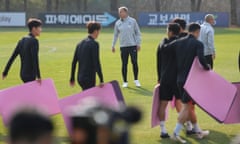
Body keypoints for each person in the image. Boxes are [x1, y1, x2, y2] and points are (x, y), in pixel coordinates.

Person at [163, 23, 210, 143]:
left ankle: (198, 131)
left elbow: (166, 48)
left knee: (188, 106)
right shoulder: (198, 44)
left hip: (179, 80)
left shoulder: (179, 42)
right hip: (191, 81)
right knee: (186, 107)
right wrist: (207, 67)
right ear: (197, 32)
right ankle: (176, 132)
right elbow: (201, 59)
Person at [156, 23, 181, 138]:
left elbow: (158, 63)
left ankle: (163, 130)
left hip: (165, 78)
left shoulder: (162, 44)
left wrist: (159, 77)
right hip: (178, 78)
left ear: (170, 32)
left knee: (163, 104)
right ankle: (188, 126)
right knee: (181, 103)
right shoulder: (181, 44)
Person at [173, 18, 195, 135]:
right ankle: (190, 125)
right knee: (189, 103)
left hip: (176, 75)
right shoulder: (191, 39)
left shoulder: (174, 40)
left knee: (179, 100)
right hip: (190, 76)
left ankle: (186, 124)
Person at [2, 18, 42, 83]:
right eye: (39, 28)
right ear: (34, 28)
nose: (41, 30)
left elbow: (12, 57)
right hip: (30, 75)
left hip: (23, 74)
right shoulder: (34, 41)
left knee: (29, 92)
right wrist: (38, 76)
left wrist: (5, 72)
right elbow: (35, 59)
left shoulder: (22, 40)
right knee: (31, 92)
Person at [112, 6, 142, 88]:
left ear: (126, 12)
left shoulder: (132, 21)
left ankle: (136, 80)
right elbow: (115, 35)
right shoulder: (118, 23)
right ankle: (125, 81)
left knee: (134, 63)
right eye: (119, 12)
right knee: (124, 64)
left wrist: (138, 44)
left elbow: (138, 33)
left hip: (133, 46)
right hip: (123, 46)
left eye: (121, 12)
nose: (120, 13)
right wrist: (113, 45)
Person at [70, 21, 104, 90]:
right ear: (95, 31)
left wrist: (72, 77)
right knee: (90, 99)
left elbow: (74, 62)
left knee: (86, 96)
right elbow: (96, 62)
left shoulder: (79, 44)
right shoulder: (94, 44)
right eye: (99, 31)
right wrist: (101, 79)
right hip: (89, 78)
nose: (99, 33)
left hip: (80, 77)